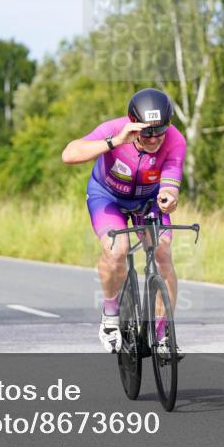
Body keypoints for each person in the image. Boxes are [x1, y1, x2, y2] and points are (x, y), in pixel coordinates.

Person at [61, 88, 187, 356]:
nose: (154, 138)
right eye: (146, 132)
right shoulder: (115, 129)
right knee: (117, 251)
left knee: (163, 252)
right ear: (132, 123)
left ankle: (164, 333)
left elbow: (171, 182)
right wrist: (114, 142)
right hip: (107, 197)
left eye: (159, 131)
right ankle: (110, 316)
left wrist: (169, 197)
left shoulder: (175, 141)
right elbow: (69, 154)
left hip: (149, 200)